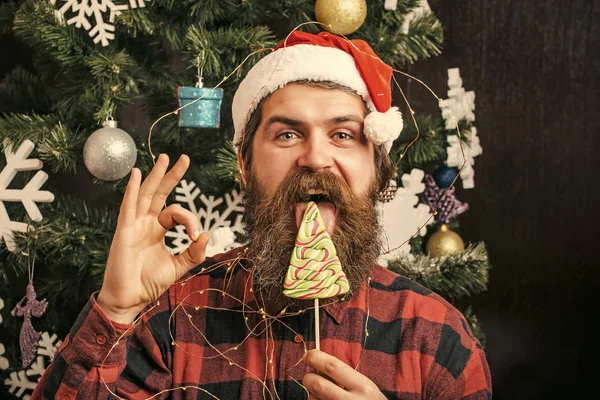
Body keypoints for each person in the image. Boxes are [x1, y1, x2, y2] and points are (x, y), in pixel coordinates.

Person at [32, 31, 491, 400]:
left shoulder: (436, 339)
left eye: (344, 135)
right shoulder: (174, 317)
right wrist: (116, 310)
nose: (315, 157)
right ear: (244, 166)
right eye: (288, 134)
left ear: (377, 169)